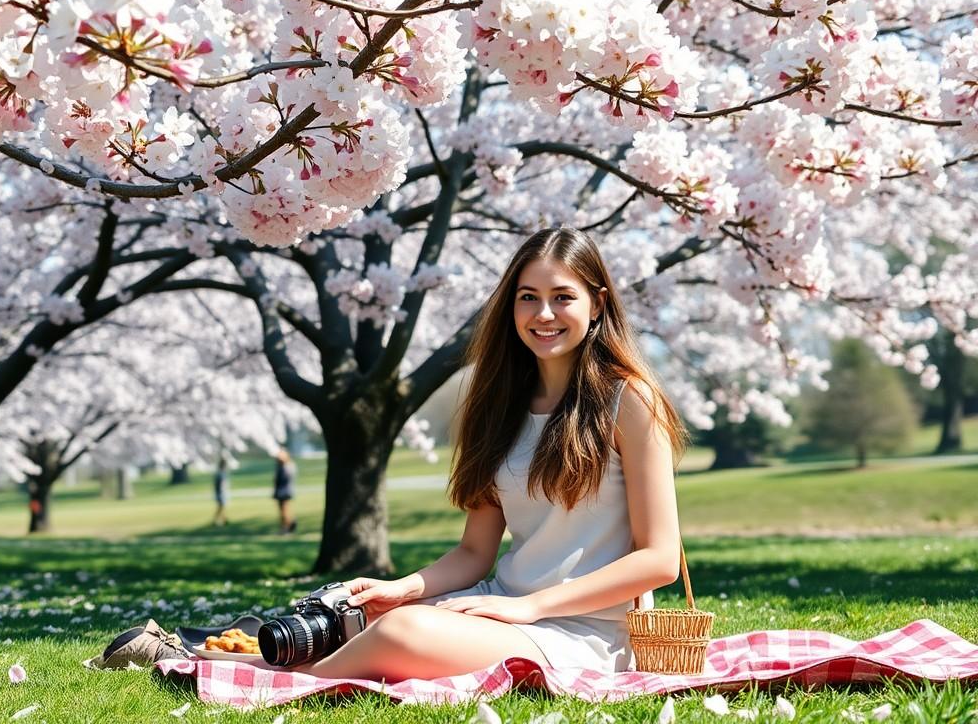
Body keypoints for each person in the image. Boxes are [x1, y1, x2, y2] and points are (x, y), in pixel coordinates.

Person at [299, 227, 688, 681]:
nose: (544, 314)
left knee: (401, 631)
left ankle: (291, 678)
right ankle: (284, 663)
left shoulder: (630, 401)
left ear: (597, 303)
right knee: (362, 620)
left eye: (563, 297)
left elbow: (660, 559)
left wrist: (532, 606)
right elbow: (473, 552)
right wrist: (402, 588)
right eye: (528, 298)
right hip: (502, 606)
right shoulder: (500, 407)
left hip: (585, 631)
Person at [271, 447, 297, 533]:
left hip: (284, 491)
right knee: (283, 511)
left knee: (284, 511)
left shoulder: (287, 467)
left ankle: (287, 526)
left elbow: (283, 480)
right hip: (283, 491)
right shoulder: (284, 466)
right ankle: (287, 526)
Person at [212, 448, 233, 527]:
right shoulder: (219, 474)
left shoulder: (222, 473)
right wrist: (220, 492)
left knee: (222, 507)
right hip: (220, 493)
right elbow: (218, 485)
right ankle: (216, 520)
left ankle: (224, 519)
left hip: (222, 492)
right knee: (220, 507)